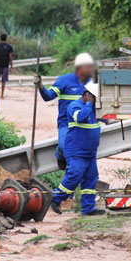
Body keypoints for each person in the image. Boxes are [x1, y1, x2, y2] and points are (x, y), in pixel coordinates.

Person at [50, 82, 105, 216]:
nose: (96, 101)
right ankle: (55, 198)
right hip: (76, 151)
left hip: (90, 152)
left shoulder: (94, 108)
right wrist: (89, 104)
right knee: (75, 174)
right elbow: (80, 118)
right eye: (94, 98)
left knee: (91, 179)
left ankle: (88, 209)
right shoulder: (75, 106)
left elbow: (107, 118)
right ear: (87, 95)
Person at [33, 53, 95, 170]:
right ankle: (60, 155)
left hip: (84, 124)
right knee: (63, 147)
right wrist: (40, 85)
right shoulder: (64, 80)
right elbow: (48, 96)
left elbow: (98, 104)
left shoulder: (92, 84)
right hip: (66, 123)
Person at [0, 34, 13, 98]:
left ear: (0, 38)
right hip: (6, 65)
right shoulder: (9, 47)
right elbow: (10, 57)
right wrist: (11, 66)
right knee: (3, 80)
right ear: (6, 38)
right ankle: (2, 94)